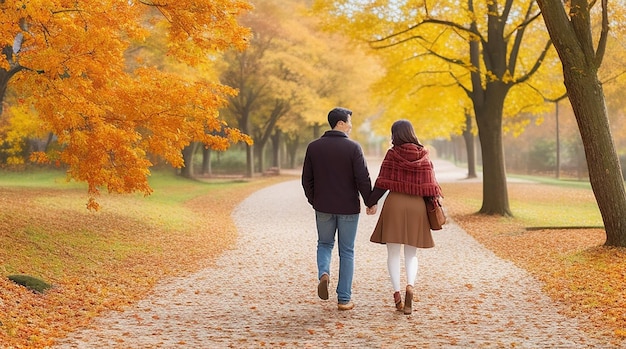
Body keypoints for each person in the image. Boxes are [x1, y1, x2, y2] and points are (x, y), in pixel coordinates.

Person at [365, 119, 443, 315]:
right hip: (417, 206)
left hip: (395, 205)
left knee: (392, 253)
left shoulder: (392, 154)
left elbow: (382, 182)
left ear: (395, 134)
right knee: (411, 254)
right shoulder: (425, 155)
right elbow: (431, 187)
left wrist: (371, 202)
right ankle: (410, 285)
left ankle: (398, 294)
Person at [301, 107, 375, 311]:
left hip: (323, 206)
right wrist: (369, 201)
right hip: (348, 208)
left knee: (324, 244)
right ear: (340, 123)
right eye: (349, 121)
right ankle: (344, 299)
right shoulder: (353, 148)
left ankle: (324, 273)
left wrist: (314, 200)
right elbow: (363, 179)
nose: (351, 125)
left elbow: (306, 179)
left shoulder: (314, 147)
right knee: (347, 251)